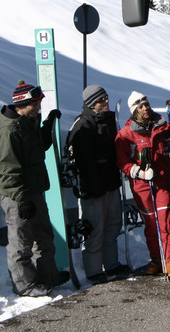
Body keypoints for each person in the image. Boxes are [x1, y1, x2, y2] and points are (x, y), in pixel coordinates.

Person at [0, 80, 69, 297]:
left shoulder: (28, 123)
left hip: (34, 190)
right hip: (18, 195)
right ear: (21, 104)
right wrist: (22, 199)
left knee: (43, 234)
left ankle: (48, 275)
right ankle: (24, 285)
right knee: (21, 241)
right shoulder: (9, 132)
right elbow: (7, 171)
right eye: (34, 104)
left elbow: (39, 147)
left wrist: (48, 125)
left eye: (39, 103)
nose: (38, 108)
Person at [115, 91, 170, 278]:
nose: (145, 108)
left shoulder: (162, 126)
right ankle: (156, 258)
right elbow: (122, 161)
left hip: (162, 181)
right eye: (140, 106)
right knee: (151, 224)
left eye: (146, 104)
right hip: (142, 185)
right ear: (133, 111)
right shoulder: (126, 134)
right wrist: (139, 172)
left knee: (166, 221)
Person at [66, 85, 130, 284]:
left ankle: (111, 264)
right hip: (94, 188)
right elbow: (83, 162)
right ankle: (93, 270)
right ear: (92, 103)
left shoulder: (110, 120)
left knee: (112, 225)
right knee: (95, 228)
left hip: (111, 183)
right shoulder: (83, 124)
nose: (106, 102)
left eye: (106, 98)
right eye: (101, 100)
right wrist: (93, 187)